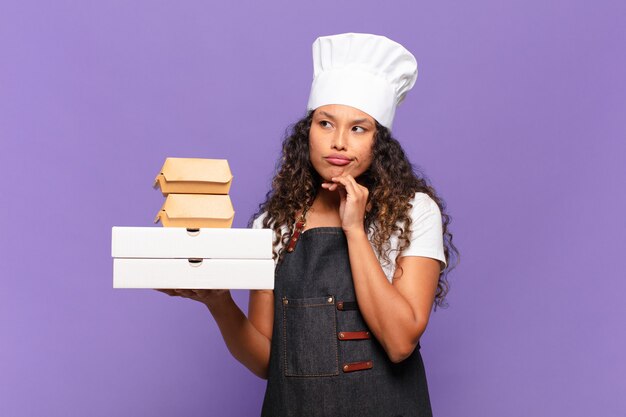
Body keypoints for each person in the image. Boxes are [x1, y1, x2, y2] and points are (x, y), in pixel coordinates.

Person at [159, 32, 459, 416]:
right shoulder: (274, 223)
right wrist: (219, 303)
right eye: (325, 123)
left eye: (358, 128)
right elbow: (268, 362)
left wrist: (354, 230)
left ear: (378, 142)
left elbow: (400, 342)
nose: (338, 142)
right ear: (308, 132)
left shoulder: (414, 212)